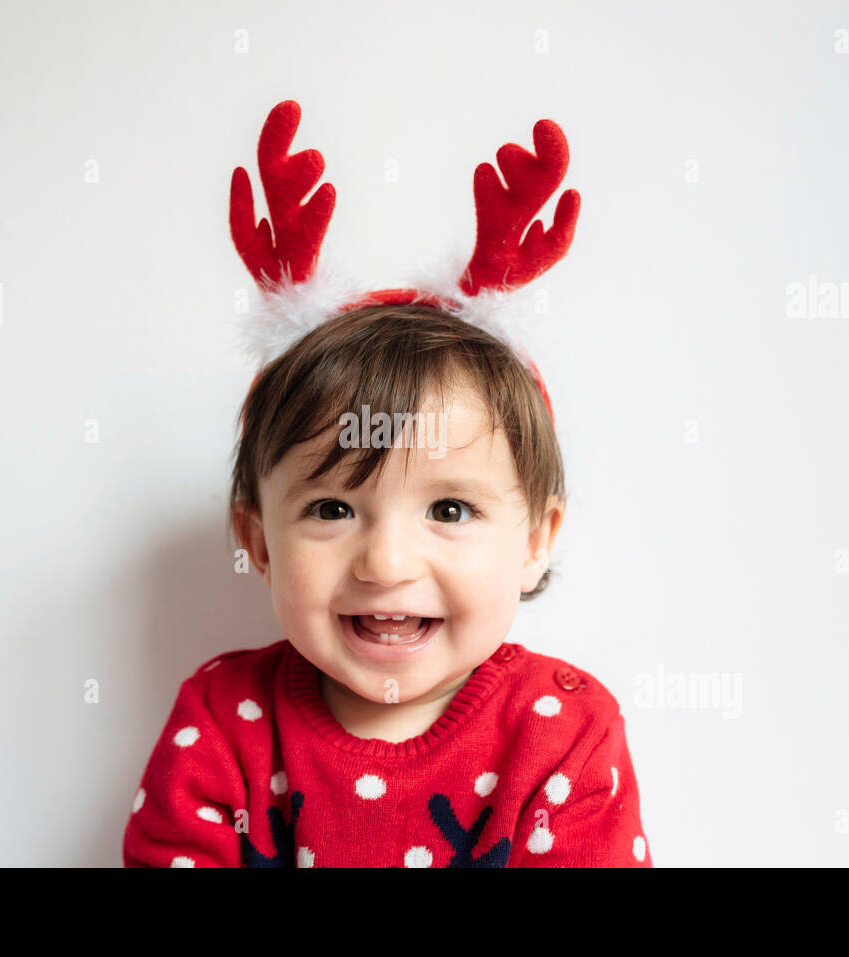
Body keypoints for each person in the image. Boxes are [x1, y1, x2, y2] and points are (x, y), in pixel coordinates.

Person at [121, 101, 651, 867]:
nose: (387, 562)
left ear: (535, 540)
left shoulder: (563, 732)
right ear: (258, 540)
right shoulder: (223, 721)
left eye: (449, 507)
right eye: (333, 508)